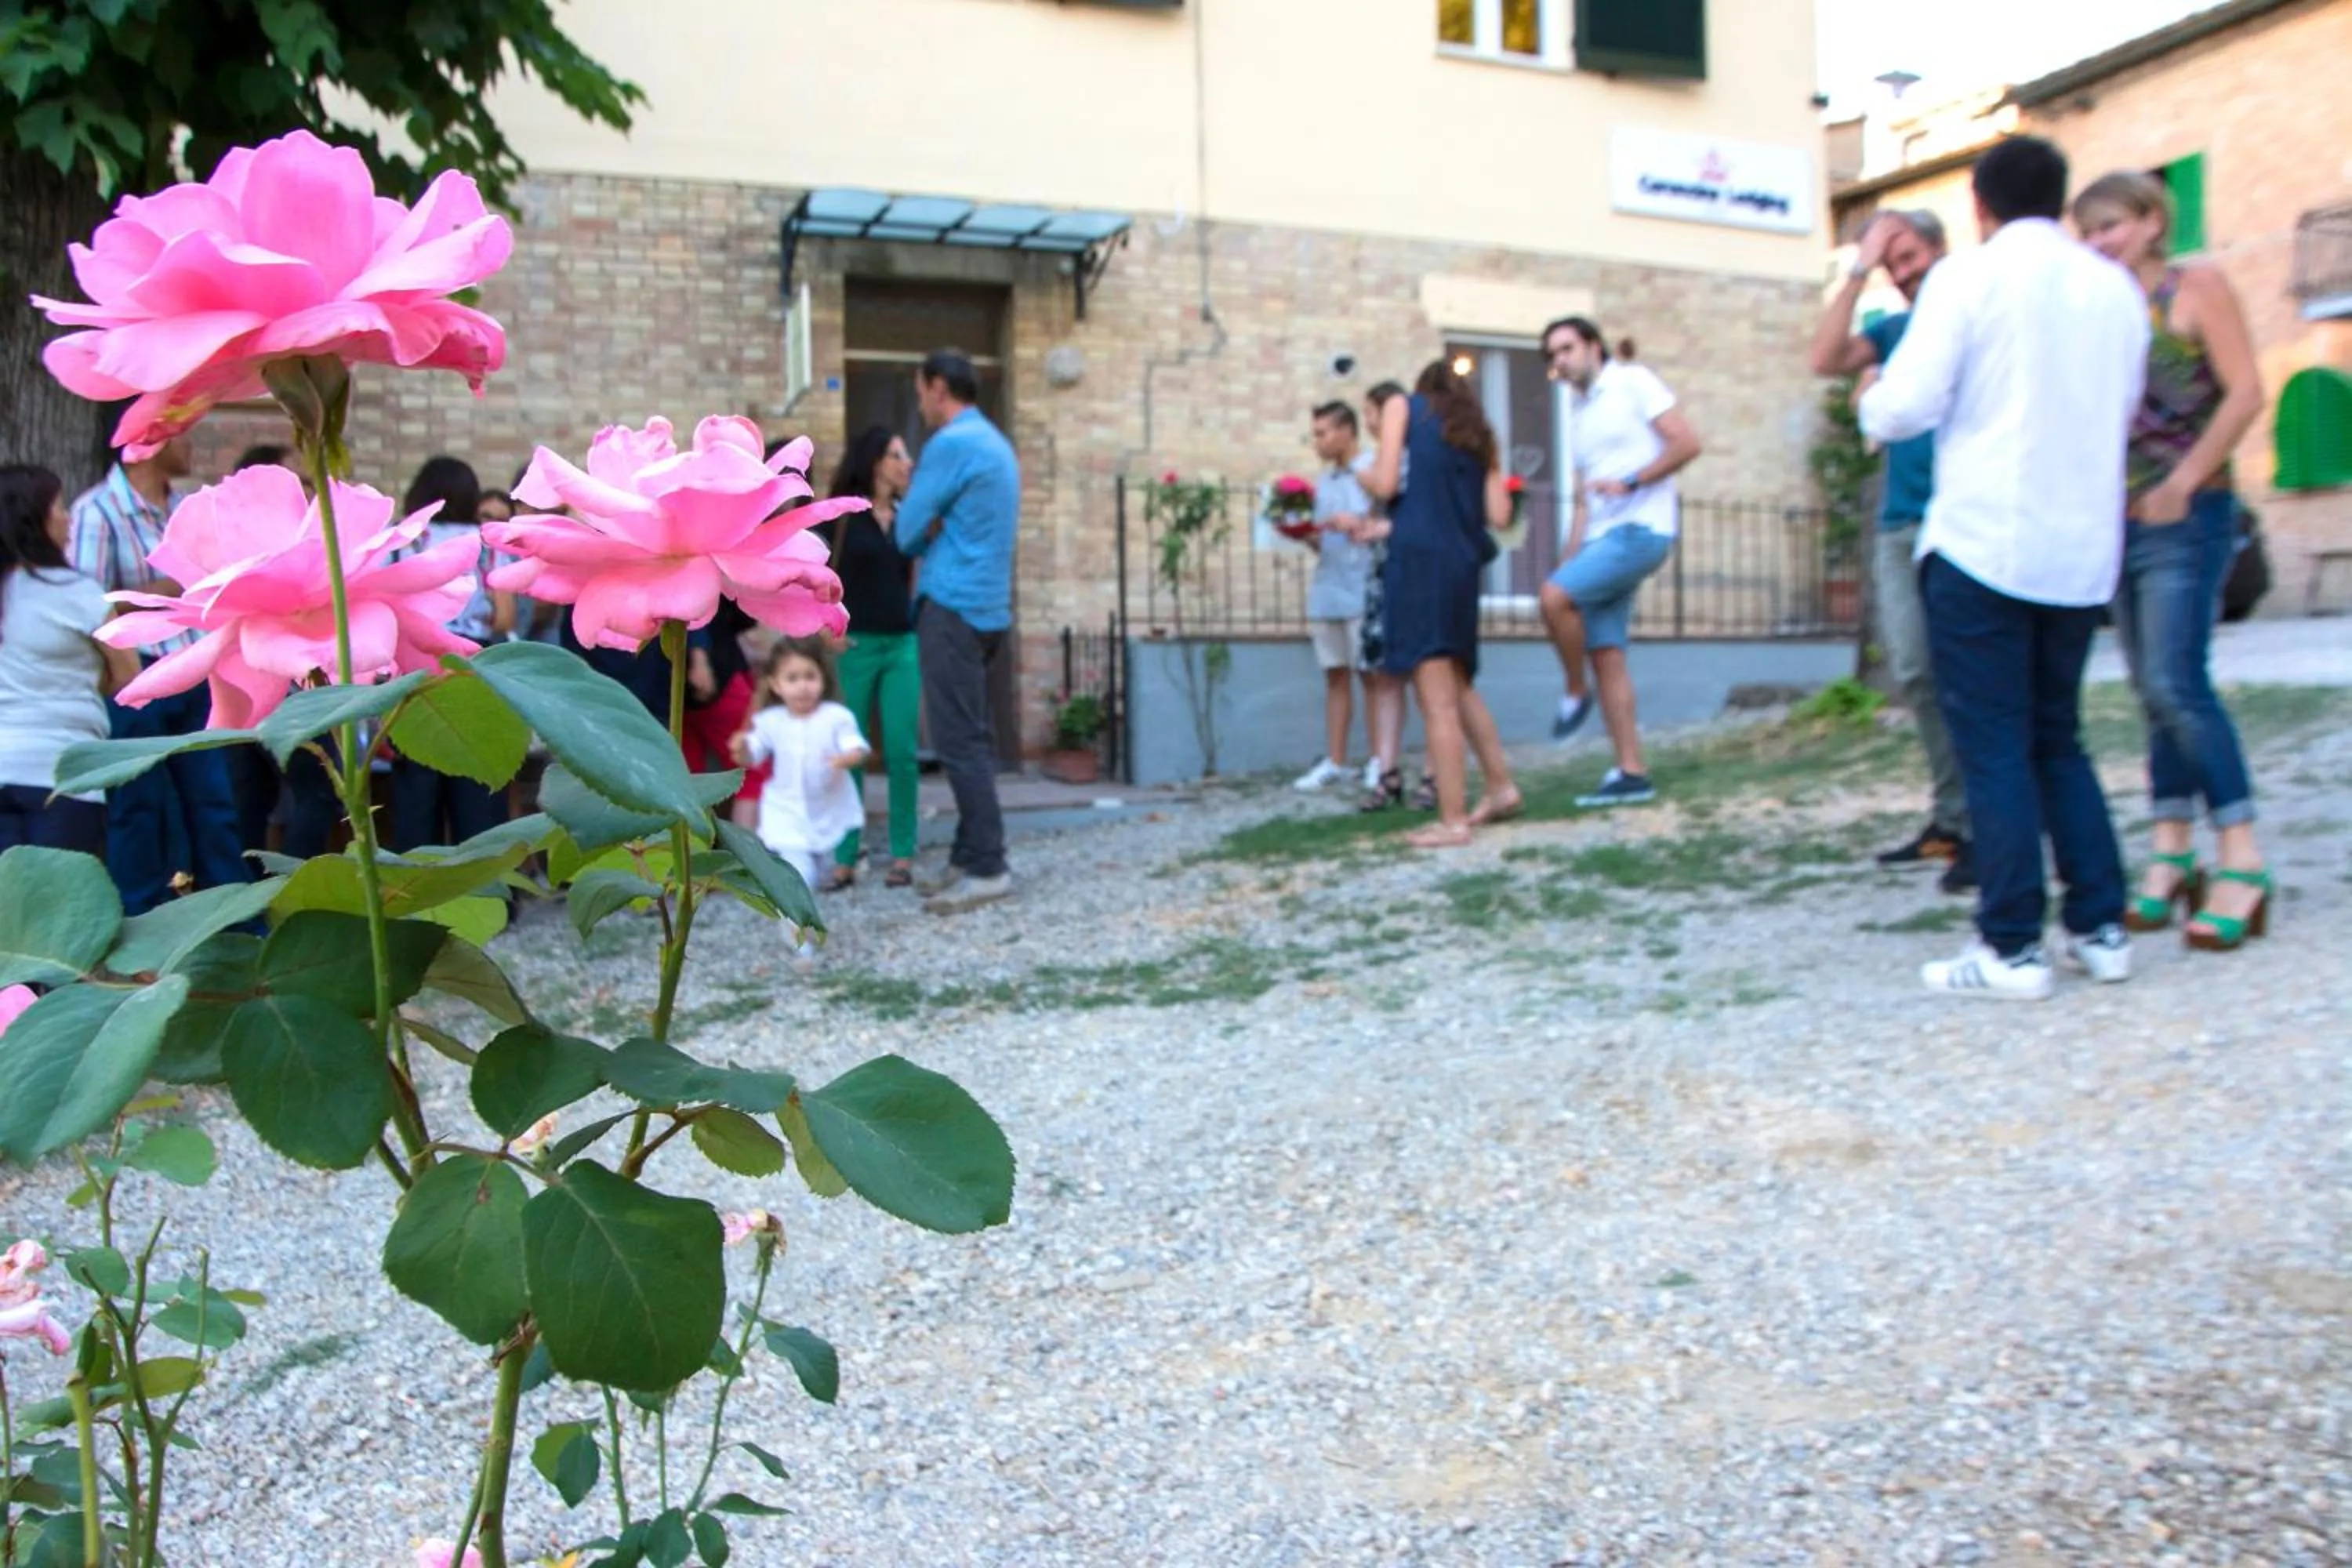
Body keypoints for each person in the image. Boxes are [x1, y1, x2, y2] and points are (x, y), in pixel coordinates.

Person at [1859, 134, 2149, 1000]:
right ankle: (2100, 927)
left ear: (1980, 207)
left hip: (1985, 539)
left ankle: (2011, 943)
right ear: (2059, 201)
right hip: (2079, 548)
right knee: (2058, 736)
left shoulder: (1969, 277)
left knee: (1992, 746)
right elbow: (2124, 410)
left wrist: (1867, 402)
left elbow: (1907, 403)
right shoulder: (2116, 290)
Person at [2074, 169, 2273, 952]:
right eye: (2087, 231)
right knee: (2151, 692)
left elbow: (2248, 391)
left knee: (2176, 682)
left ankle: (2242, 858)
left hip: (2190, 515)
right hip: (2116, 523)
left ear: (2154, 221)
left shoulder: (2198, 287)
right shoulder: (2102, 309)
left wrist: (2186, 482)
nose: (2099, 242)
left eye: (2112, 225)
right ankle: (2169, 852)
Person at [1809, 210, 1975, 895]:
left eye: (1910, 256)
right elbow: (1822, 360)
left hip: (1962, 518)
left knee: (1967, 673)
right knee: (1914, 668)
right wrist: (1857, 269)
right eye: (1893, 263)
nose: (1904, 272)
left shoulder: (1969, 318)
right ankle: (1953, 816)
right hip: (1899, 522)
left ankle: (1985, 827)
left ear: (1940, 249)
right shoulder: (1893, 331)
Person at [68, 429, 252, 913]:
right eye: (180, 435)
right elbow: (87, 605)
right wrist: (169, 586)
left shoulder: (187, 508)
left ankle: (229, 917)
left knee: (213, 801)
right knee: (138, 804)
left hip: (194, 666)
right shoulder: (98, 511)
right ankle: (139, 918)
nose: (192, 444)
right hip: (137, 675)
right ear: (146, 445)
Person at [1541, 320, 1702, 808]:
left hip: (1642, 529)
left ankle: (1574, 691)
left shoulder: (1634, 381)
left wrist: (1633, 481)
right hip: (1603, 539)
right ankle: (1632, 771)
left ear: (1593, 346)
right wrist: (1569, 559)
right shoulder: (1578, 410)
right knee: (1606, 653)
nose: (1561, 360)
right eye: (1553, 354)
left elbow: (1686, 443)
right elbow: (1586, 501)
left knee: (1554, 599)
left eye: (1568, 348)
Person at [1361, 361, 1519, 848]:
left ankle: (1452, 821)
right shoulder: (1480, 434)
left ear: (1421, 389)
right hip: (1463, 563)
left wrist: (1360, 472)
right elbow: (1500, 513)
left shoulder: (1398, 407)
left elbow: (1386, 484)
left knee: (1436, 702)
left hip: (1420, 561)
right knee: (1458, 684)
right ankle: (1501, 787)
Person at [895, 348, 1019, 914]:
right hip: (989, 609)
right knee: (974, 736)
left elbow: (906, 531)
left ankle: (989, 867)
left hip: (951, 605)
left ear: (938, 387)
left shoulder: (950, 444)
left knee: (958, 741)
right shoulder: (995, 441)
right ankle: (969, 855)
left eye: (921, 390)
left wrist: (929, 528)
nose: (920, 402)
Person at [0, 466, 143, 855]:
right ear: (35, 520)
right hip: (66, 775)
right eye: (60, 507)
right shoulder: (77, 592)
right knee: (65, 908)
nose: (69, 517)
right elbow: (130, 674)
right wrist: (79, 681)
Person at [387, 457, 514, 851]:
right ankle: (487, 897)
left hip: (414, 663)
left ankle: (414, 896)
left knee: (416, 785)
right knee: (476, 777)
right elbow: (504, 617)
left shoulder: (403, 540)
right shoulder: (484, 544)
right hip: (473, 663)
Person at [823, 426, 922, 889]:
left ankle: (903, 854)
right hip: (857, 646)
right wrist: (828, 623)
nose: (907, 463)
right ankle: (846, 856)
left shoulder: (909, 517)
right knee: (852, 752)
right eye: (898, 455)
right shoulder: (844, 516)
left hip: (902, 644)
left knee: (902, 751)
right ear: (875, 460)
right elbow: (816, 576)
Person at [728, 637, 870, 915]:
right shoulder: (771, 721)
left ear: (823, 679)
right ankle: (797, 929)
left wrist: (847, 758)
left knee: (817, 869)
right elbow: (752, 755)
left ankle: (801, 917)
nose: (803, 685)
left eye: (810, 676)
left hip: (826, 807)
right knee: (800, 873)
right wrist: (742, 748)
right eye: (792, 678)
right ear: (776, 684)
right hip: (786, 809)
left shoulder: (836, 717)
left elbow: (857, 747)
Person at [1291, 402, 1377, 793]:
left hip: (1365, 587)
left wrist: (1358, 524)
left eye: (1323, 433)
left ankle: (1380, 760)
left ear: (1347, 431)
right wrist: (1300, 532)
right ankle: (1337, 762)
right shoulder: (1324, 483)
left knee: (1373, 677)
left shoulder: (1374, 470)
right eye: (1315, 434)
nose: (1318, 442)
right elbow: (1322, 544)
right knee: (1335, 676)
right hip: (1328, 589)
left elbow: (1388, 524)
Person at [1347, 381, 1415, 812]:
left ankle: (1433, 773)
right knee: (1384, 674)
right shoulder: (1376, 461)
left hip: (1414, 573)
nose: (1368, 421)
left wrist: (1361, 470)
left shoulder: (1416, 458)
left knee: (1427, 675)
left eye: (1370, 412)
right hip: (1381, 573)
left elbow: (1403, 502)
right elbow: (1382, 510)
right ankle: (1386, 771)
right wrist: (1365, 526)